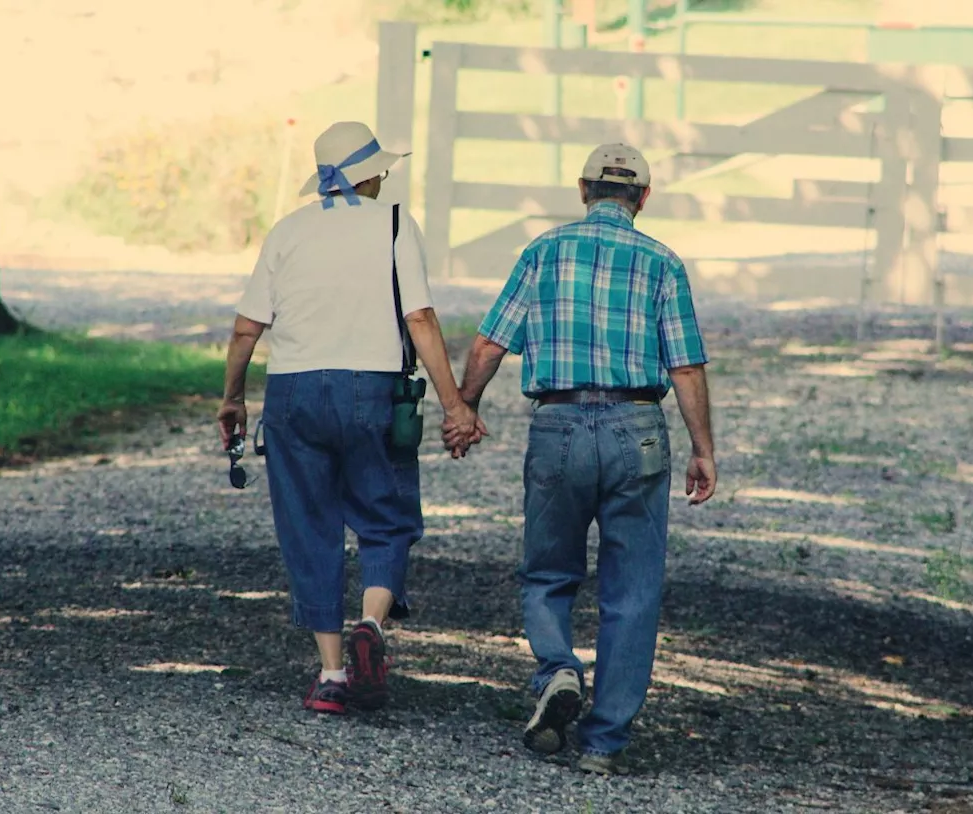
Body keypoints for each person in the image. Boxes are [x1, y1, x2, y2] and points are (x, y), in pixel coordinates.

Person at [446, 144, 717, 775]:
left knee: (547, 572)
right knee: (634, 589)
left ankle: (558, 669)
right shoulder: (662, 262)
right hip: (638, 427)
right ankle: (604, 743)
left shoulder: (543, 252)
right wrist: (703, 448)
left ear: (582, 190)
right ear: (643, 198)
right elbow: (685, 364)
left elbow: (490, 343)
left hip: (559, 424)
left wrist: (464, 409)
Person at [218, 121, 481, 716]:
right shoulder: (393, 224)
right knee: (385, 516)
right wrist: (454, 405)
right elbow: (420, 319)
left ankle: (333, 672)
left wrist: (232, 397)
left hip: (293, 393)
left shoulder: (286, 232)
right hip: (372, 388)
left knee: (309, 527)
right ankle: (372, 622)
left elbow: (245, 328)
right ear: (368, 175)